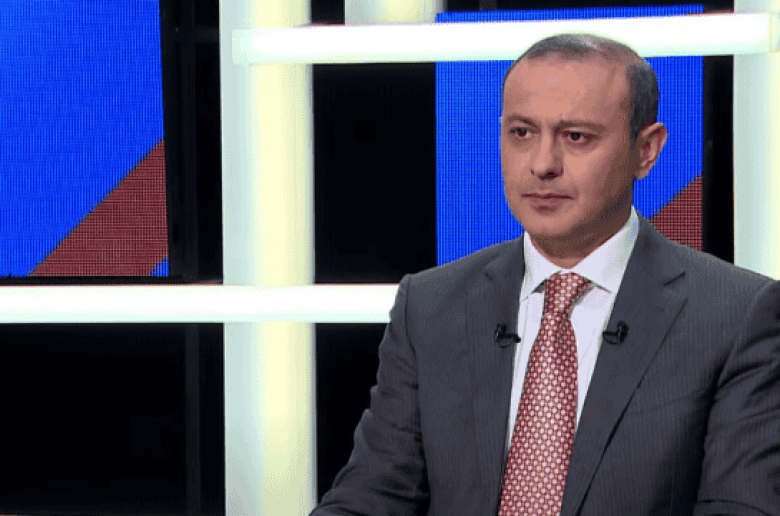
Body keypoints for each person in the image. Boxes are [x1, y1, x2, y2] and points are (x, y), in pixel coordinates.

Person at [311, 33, 780, 515]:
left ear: (646, 150)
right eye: (521, 133)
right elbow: (370, 498)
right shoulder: (429, 308)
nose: (541, 165)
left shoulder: (736, 317)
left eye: (576, 137)